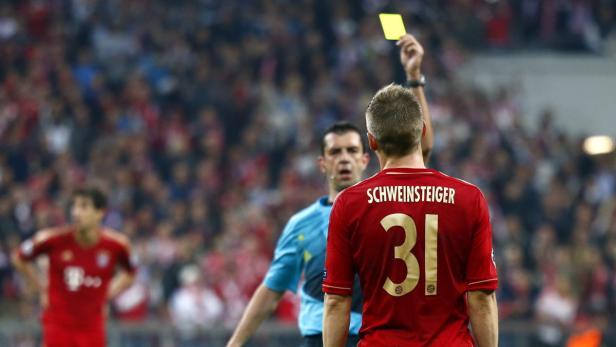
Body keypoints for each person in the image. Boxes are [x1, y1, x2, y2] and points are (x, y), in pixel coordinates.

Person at [227, 34, 433, 347]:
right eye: (335, 153)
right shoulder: (301, 225)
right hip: (318, 338)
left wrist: (415, 78)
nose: (345, 159)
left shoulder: (383, 202)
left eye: (352, 150)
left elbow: (420, 150)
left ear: (366, 159)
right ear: (322, 164)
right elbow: (272, 291)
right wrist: (234, 344)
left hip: (376, 336)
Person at [322, 37, 498, 347]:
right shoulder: (468, 200)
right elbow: (481, 298)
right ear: (423, 131)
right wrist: (415, 78)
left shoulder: (349, 205)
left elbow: (337, 302)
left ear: (372, 142)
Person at [11, 187, 136, 347]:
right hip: (58, 327)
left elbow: (131, 273)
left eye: (84, 206)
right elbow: (19, 258)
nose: (76, 212)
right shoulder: (52, 240)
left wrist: (107, 294)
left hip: (93, 328)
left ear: (100, 213)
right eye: (74, 206)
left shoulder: (117, 245)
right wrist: (42, 287)